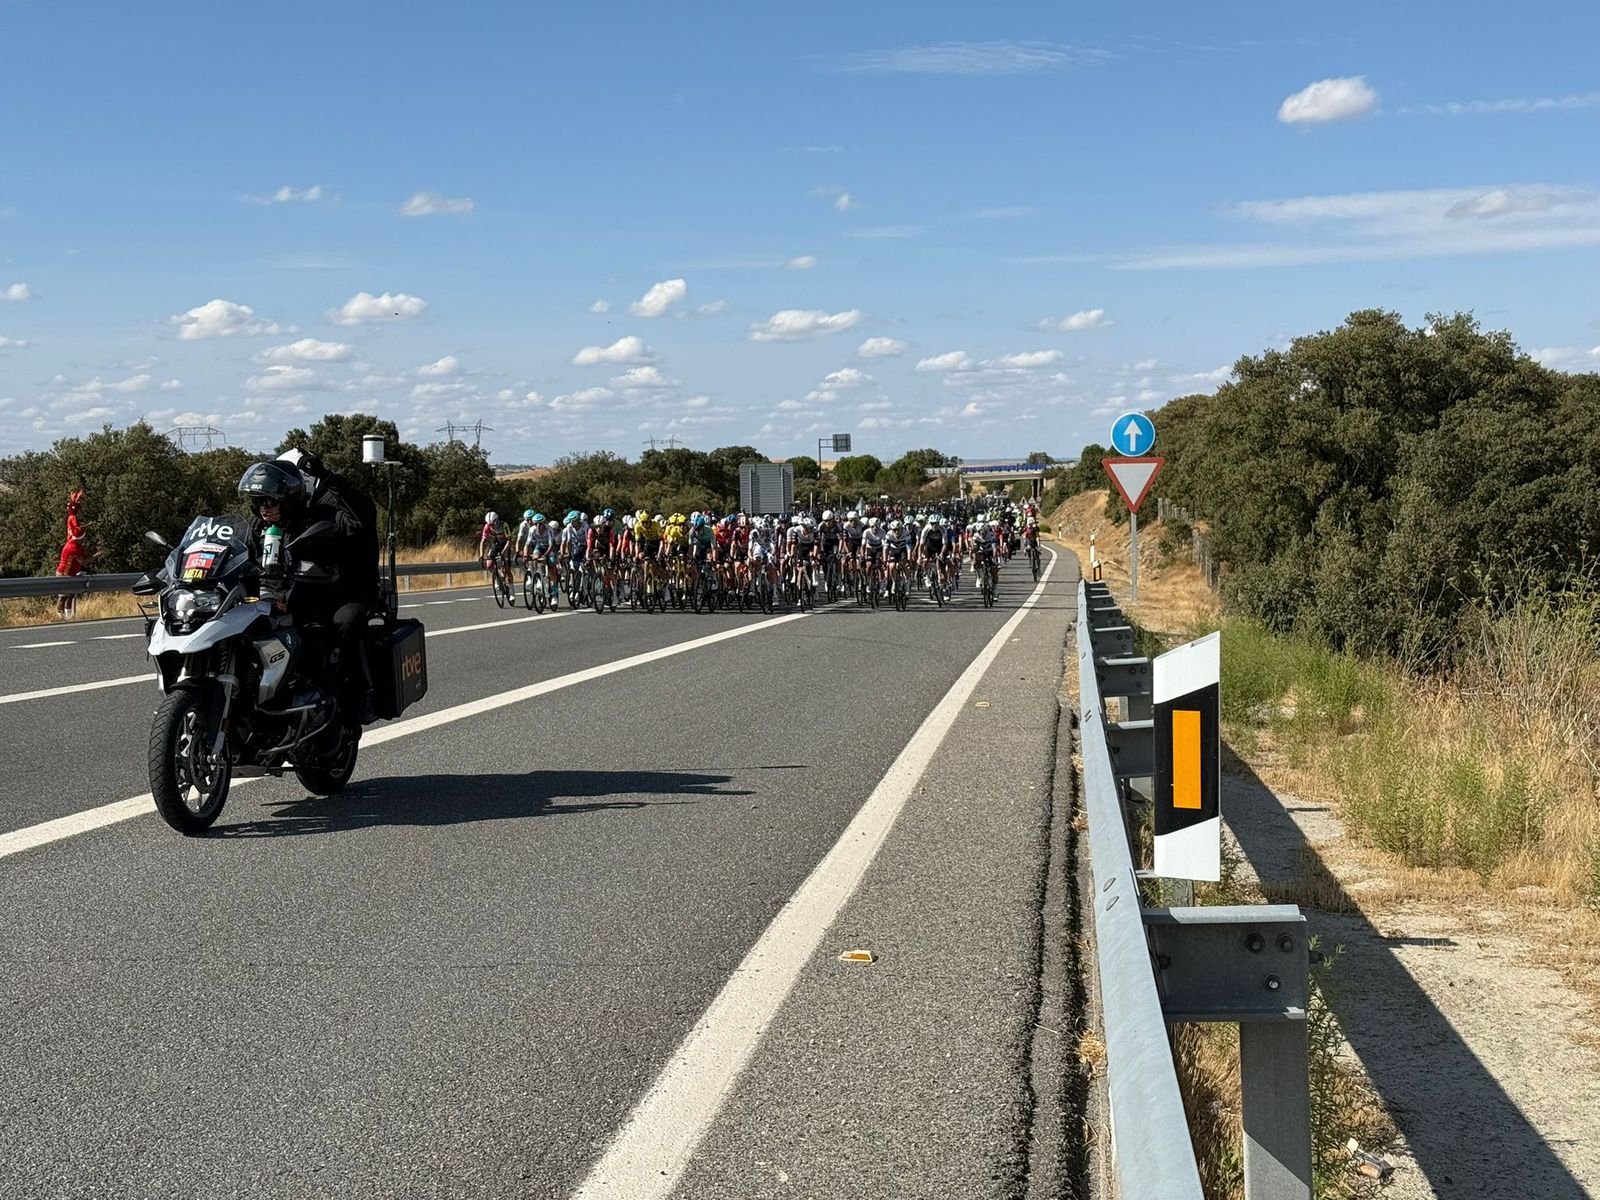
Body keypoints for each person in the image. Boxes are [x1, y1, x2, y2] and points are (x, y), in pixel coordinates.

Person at [238, 460, 374, 718]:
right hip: (271, 599)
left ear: (289, 497)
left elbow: (360, 520)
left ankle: (358, 693)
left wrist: (329, 477)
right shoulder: (256, 529)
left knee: (348, 620)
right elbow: (237, 557)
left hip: (322, 598)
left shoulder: (319, 518)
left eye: (270, 500)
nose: (264, 507)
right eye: (259, 500)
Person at [55, 489, 88, 618]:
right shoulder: (73, 518)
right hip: (71, 549)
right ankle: (62, 615)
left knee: (70, 593)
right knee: (64, 593)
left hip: (72, 546)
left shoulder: (70, 517)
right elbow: (76, 530)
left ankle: (68, 615)